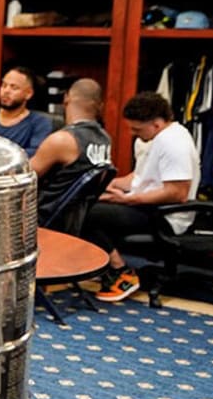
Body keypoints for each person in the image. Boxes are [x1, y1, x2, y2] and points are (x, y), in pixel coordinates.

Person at [83, 91, 201, 303]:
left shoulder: (173, 143)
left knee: (84, 212)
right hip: (148, 206)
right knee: (82, 200)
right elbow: (140, 178)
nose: (132, 133)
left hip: (166, 216)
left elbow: (178, 193)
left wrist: (127, 200)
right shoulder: (157, 138)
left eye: (137, 129)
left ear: (156, 124)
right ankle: (107, 265)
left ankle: (120, 270)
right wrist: (107, 185)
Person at [29, 78, 112, 228]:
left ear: (66, 98)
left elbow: (23, 178)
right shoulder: (105, 139)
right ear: (100, 105)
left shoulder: (62, 140)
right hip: (75, 219)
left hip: (42, 218)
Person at [0, 66, 55, 154]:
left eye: (14, 87)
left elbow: (35, 155)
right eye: (4, 85)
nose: (6, 91)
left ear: (28, 93)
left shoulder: (39, 123)